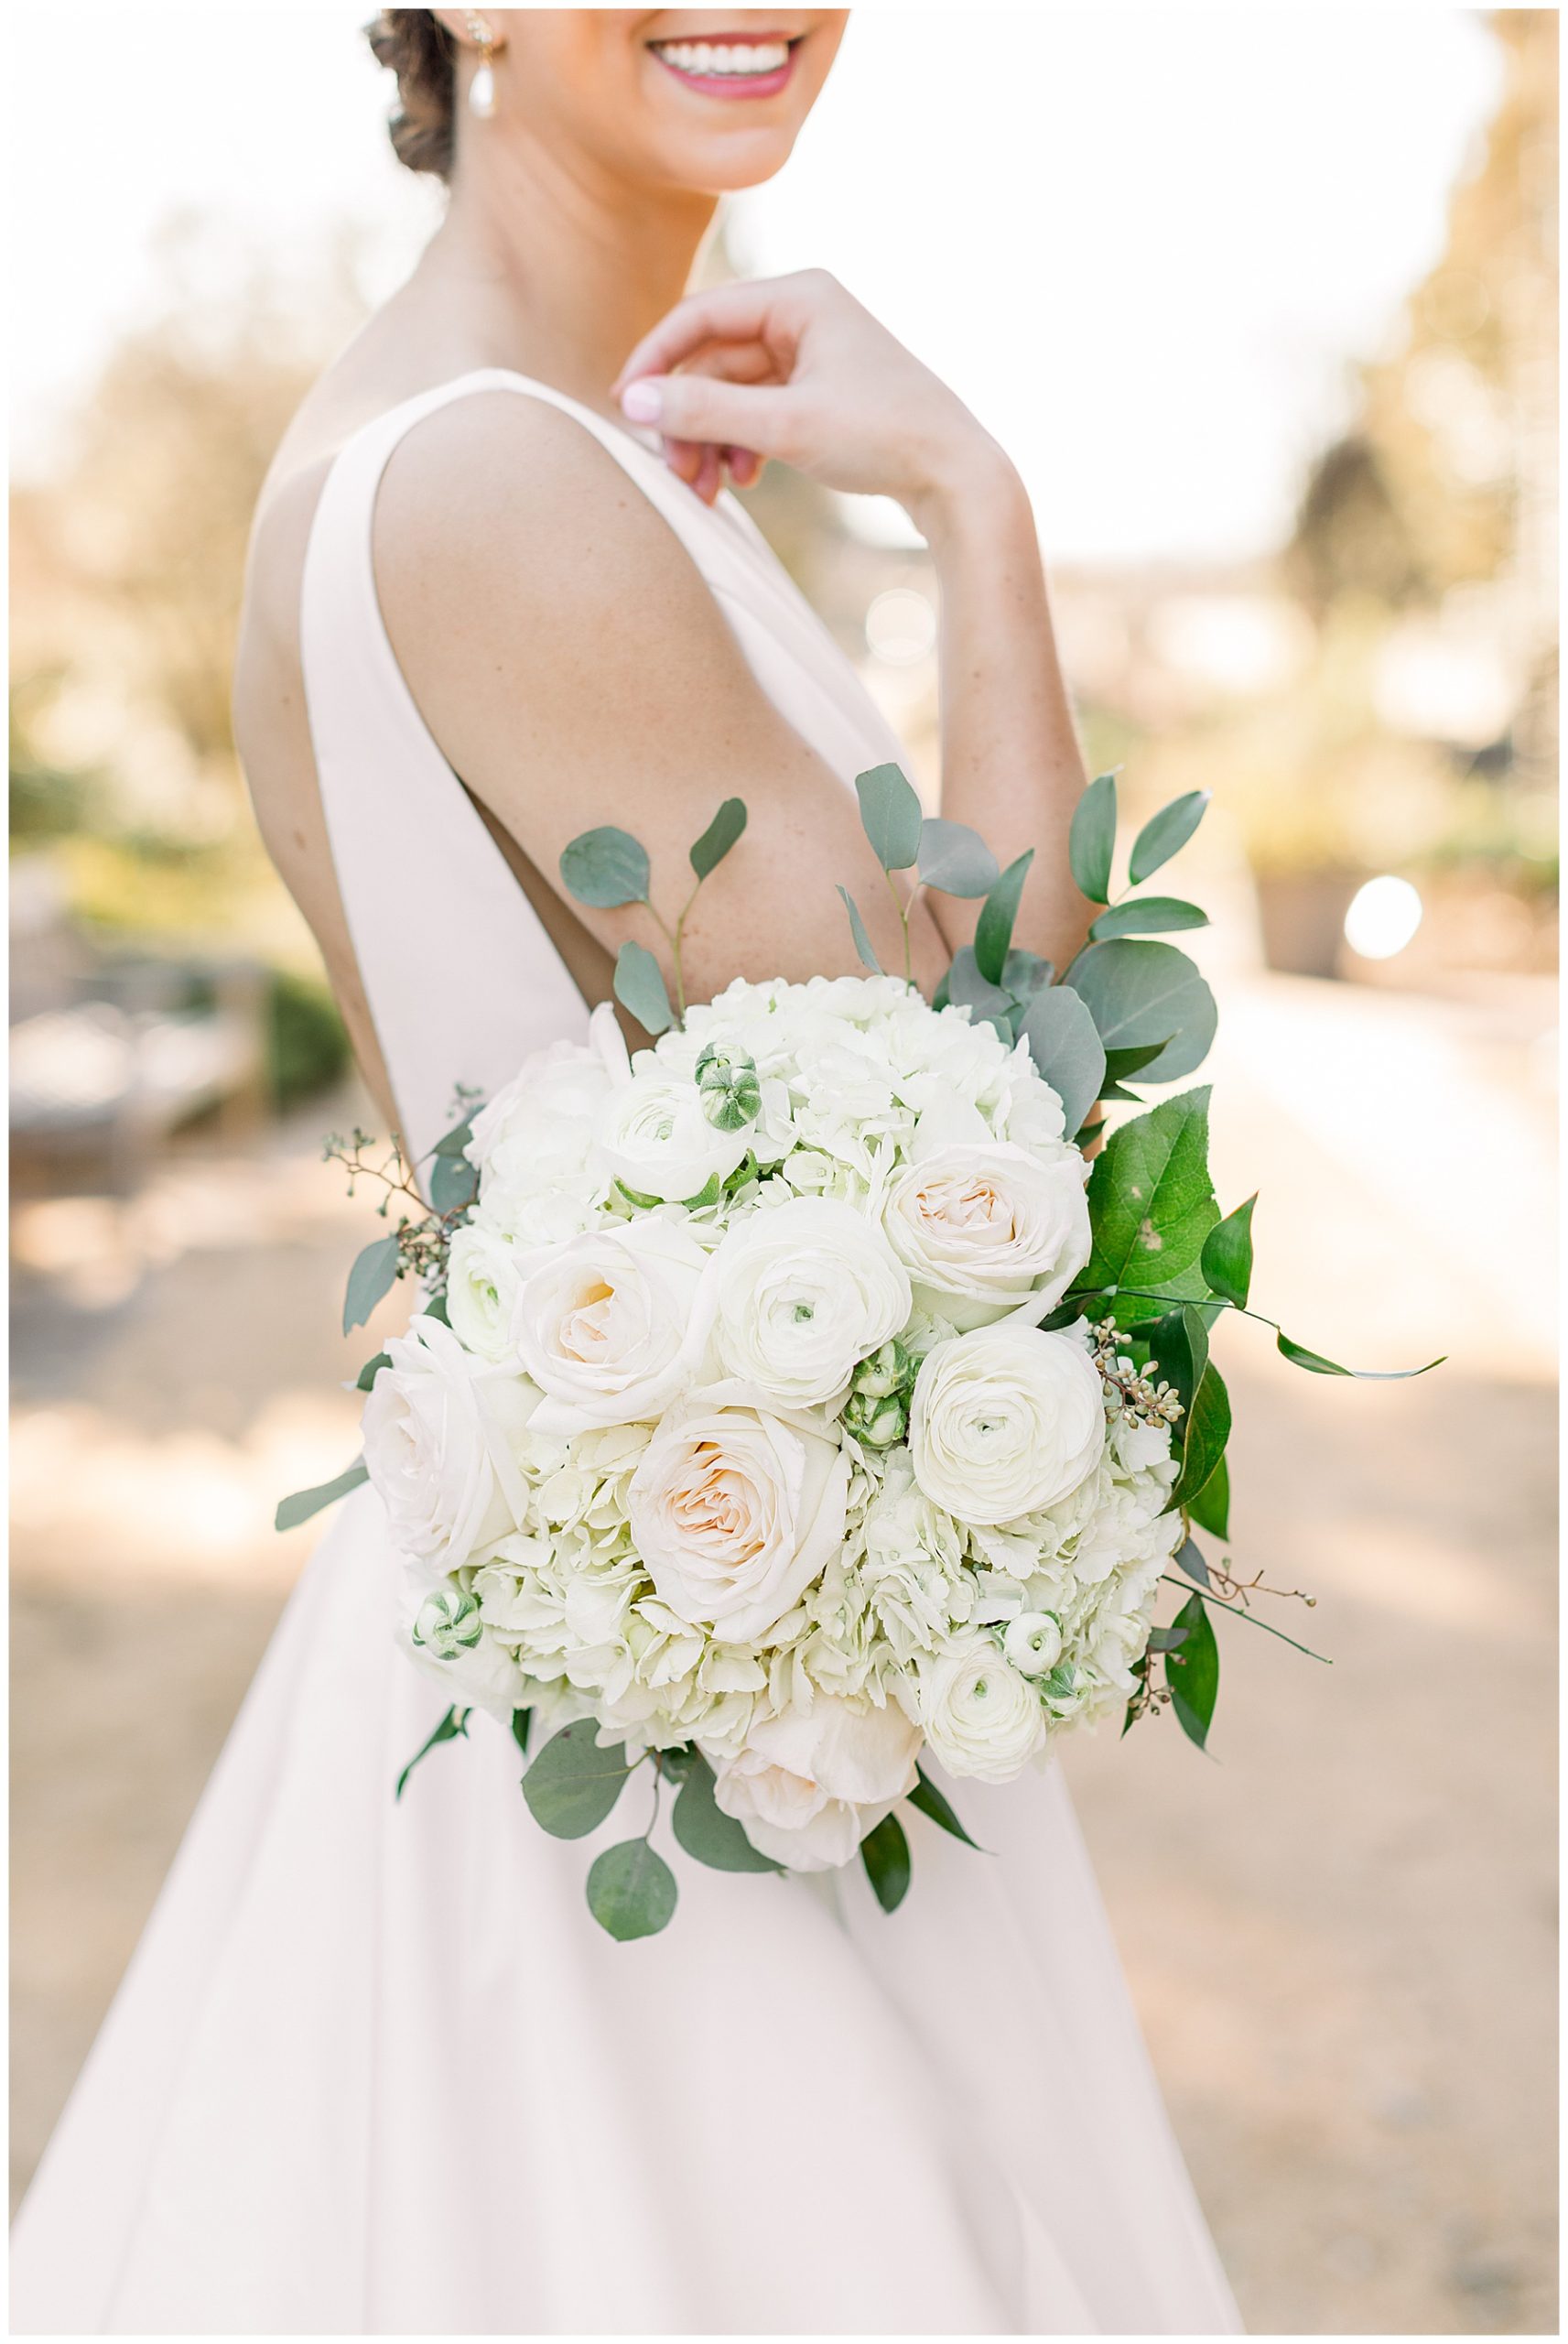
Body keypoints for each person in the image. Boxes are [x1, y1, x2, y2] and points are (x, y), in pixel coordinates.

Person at [11, 13, 1241, 2332]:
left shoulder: (539, 442)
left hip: (646, 1629)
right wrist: (974, 500)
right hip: (673, 1733)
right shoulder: (491, 477)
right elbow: (977, 1082)